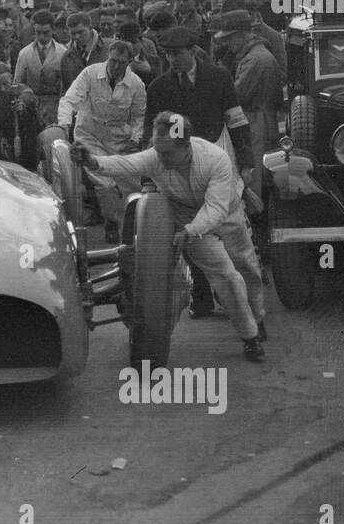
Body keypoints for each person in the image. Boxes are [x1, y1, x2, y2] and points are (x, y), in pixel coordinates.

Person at [81, 111, 267, 361]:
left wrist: (189, 231)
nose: (159, 157)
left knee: (249, 269)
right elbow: (125, 164)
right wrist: (92, 162)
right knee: (228, 277)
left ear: (186, 146)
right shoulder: (158, 154)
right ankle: (250, 336)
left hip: (226, 216)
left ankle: (258, 316)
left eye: (166, 153)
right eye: (157, 150)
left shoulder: (216, 159)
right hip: (188, 223)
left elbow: (216, 209)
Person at [144, 26, 255, 319]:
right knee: (192, 231)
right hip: (180, 169)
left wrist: (246, 161)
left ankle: (233, 293)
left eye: (177, 54)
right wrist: (148, 179)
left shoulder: (219, 78)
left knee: (225, 225)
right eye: (167, 54)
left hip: (219, 158)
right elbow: (151, 135)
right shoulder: (158, 88)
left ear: (193, 52)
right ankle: (202, 293)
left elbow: (236, 119)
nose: (172, 60)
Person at [57, 41, 147, 241]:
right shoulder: (90, 74)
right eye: (113, 60)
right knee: (105, 183)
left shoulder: (137, 85)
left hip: (119, 140)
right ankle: (111, 222)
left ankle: (132, 226)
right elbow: (69, 100)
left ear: (129, 62)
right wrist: (63, 124)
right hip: (89, 135)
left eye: (121, 63)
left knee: (130, 182)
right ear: (108, 56)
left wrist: (135, 138)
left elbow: (139, 117)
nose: (115, 66)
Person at [211, 10, 280, 161]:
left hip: (258, 126)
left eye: (229, 38)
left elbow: (235, 96)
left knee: (256, 178)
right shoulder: (255, 55)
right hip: (259, 123)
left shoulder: (254, 59)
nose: (226, 44)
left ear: (241, 34)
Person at [13, 9, 67, 127]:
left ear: (53, 30)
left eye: (46, 32)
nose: (41, 36)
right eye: (38, 33)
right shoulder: (24, 53)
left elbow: (68, 86)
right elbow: (17, 83)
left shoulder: (63, 53)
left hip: (56, 108)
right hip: (31, 108)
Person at [0, 62, 40, 167]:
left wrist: (22, 105)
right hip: (6, 146)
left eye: (5, 84)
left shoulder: (22, 90)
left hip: (28, 143)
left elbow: (29, 97)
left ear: (11, 79)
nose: (2, 89)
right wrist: (1, 139)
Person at [59, 12, 106, 92]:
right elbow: (65, 91)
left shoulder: (109, 49)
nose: (77, 37)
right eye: (73, 34)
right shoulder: (67, 57)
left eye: (81, 32)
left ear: (91, 28)